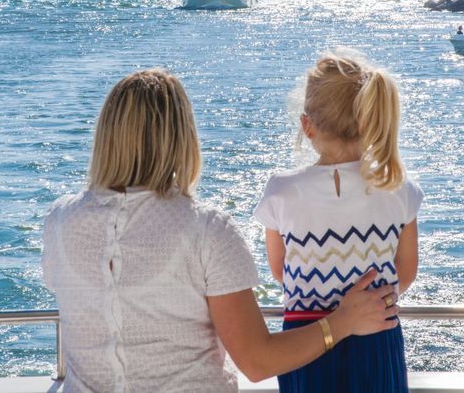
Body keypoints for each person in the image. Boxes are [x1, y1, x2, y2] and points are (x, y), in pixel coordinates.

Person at [40, 69, 398, 392]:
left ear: (106, 136)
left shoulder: (59, 222)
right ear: (181, 137)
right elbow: (256, 362)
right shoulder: (207, 229)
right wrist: (342, 322)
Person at [255, 53, 421, 392]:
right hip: (377, 337)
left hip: (305, 342)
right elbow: (406, 270)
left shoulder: (281, 191)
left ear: (307, 125)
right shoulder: (399, 189)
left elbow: (279, 269)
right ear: (370, 121)